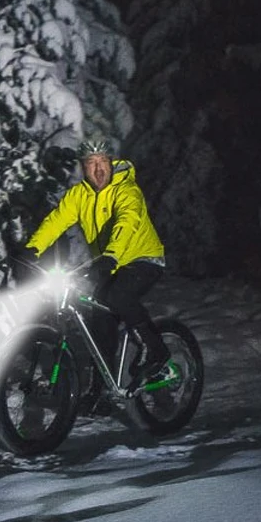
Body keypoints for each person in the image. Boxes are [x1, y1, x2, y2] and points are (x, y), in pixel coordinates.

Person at [23, 138, 170, 393]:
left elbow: (128, 221)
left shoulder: (127, 190)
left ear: (111, 164)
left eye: (103, 161)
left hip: (142, 258)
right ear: (83, 167)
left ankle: (156, 350)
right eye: (91, 163)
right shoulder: (79, 195)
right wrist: (32, 249)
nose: (99, 169)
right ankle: (102, 390)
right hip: (110, 264)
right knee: (99, 320)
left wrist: (111, 254)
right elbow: (56, 221)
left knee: (117, 295)